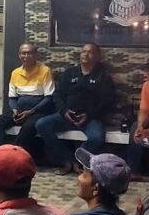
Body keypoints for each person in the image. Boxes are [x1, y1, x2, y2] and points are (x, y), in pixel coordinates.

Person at [36, 43, 115, 174]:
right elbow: (58, 95)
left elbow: (106, 101)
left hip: (90, 118)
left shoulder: (103, 76)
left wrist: (88, 115)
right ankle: (67, 160)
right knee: (41, 124)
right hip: (67, 116)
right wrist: (64, 111)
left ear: (97, 56)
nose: (86, 54)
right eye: (83, 51)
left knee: (97, 138)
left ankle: (78, 161)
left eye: (90, 52)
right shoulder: (70, 73)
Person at [0, 43, 55, 156]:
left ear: (36, 55)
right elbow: (12, 97)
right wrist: (15, 110)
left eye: (29, 53)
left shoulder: (45, 71)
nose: (26, 56)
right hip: (20, 110)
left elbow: (48, 97)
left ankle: (13, 156)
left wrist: (31, 112)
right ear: (19, 55)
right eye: (23, 53)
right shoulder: (15, 73)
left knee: (28, 127)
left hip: (38, 111)